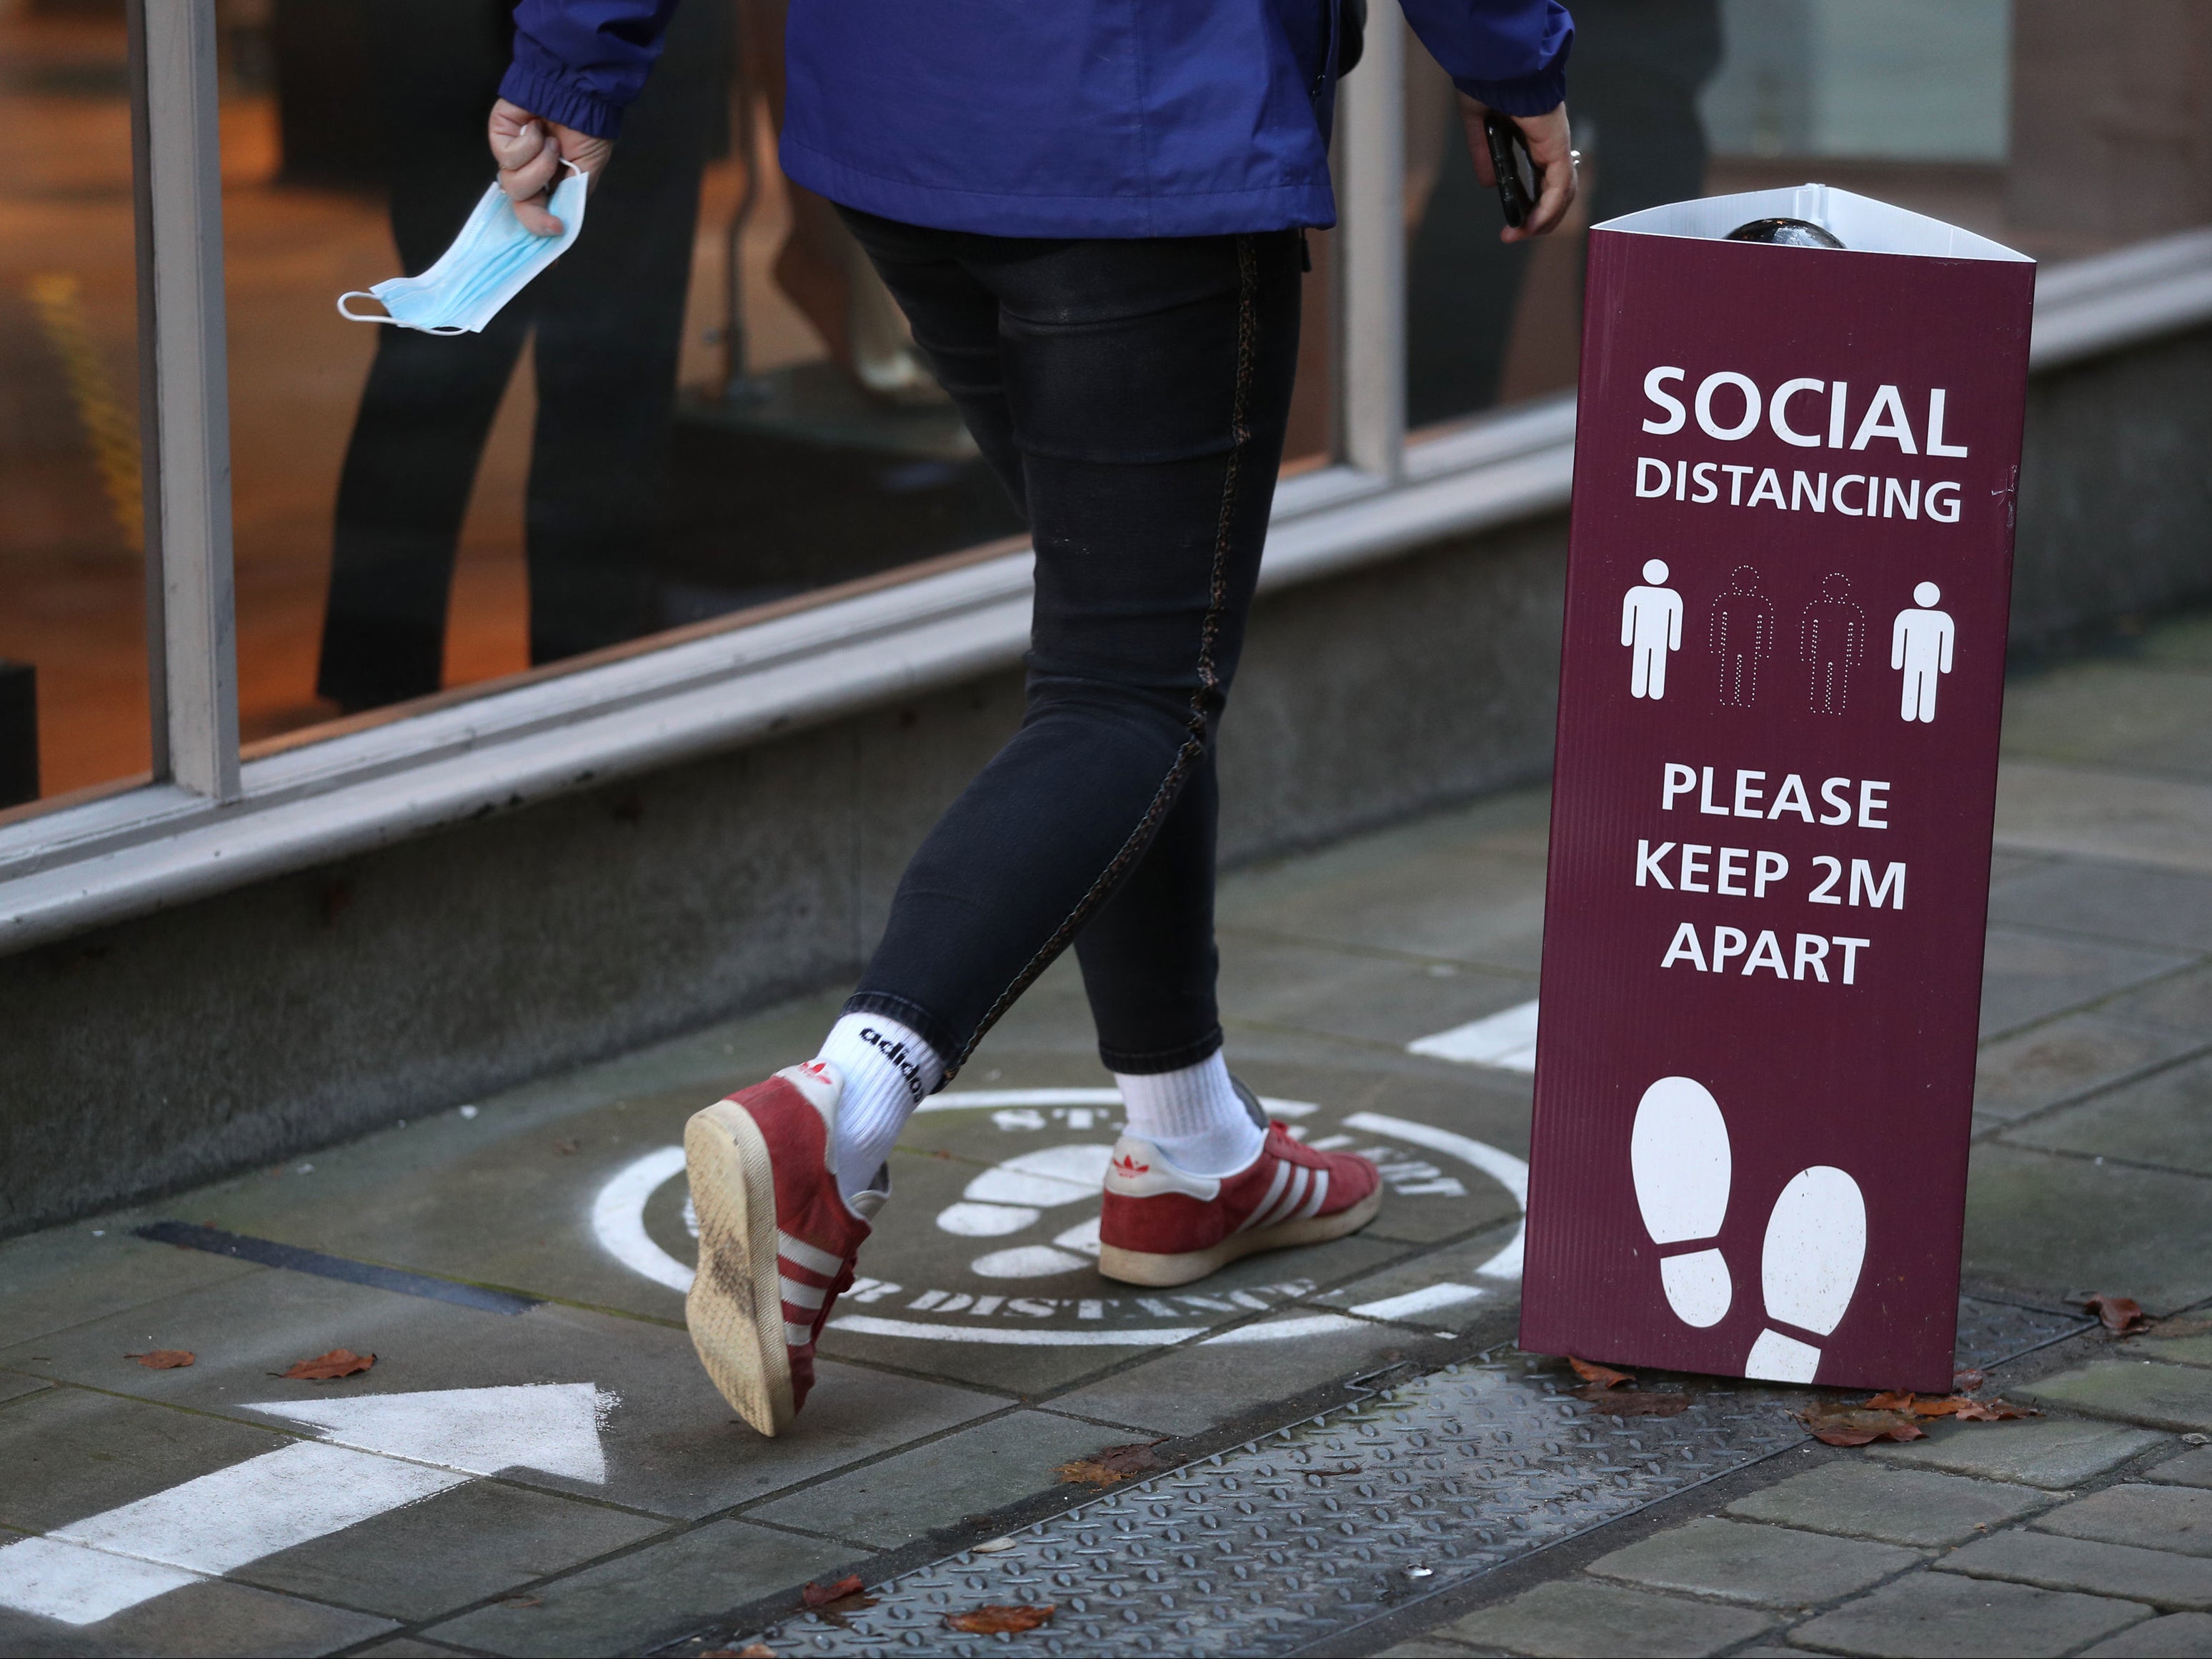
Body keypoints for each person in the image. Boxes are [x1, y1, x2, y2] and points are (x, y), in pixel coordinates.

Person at [491, 0, 1575, 1435]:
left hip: (900, 129)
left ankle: (1192, 1149)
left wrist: (577, 59)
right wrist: (1514, 62)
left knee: (1125, 636)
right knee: (1130, 679)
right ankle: (840, 1112)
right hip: (1142, 127)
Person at [317, 0, 729, 714]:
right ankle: (583, 699)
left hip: (466, 27)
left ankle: (375, 687)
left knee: (439, 348)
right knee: (602, 371)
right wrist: (573, 70)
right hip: (616, 37)